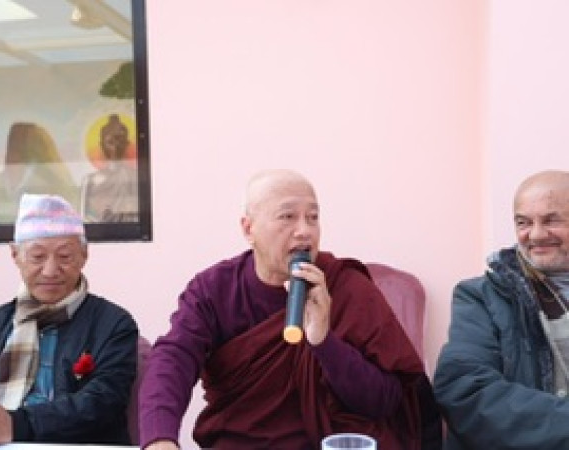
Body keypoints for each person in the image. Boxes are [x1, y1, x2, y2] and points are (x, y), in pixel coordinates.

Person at [138, 169, 443, 450]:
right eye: (287, 217)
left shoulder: (347, 286)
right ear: (249, 229)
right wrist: (159, 438)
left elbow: (384, 401)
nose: (304, 231)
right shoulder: (214, 290)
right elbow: (174, 358)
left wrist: (325, 343)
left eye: (313, 217)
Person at [0, 193, 138, 448]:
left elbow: (102, 405)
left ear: (84, 255)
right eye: (37, 257)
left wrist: (13, 425)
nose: (50, 271)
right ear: (15, 255)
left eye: (65, 256)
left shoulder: (113, 324)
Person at [434, 170, 569, 449]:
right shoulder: (480, 297)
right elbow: (465, 390)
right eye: (523, 222)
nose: (536, 234)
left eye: (552, 220)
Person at [80, 114, 139, 223]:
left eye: (120, 141)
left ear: (127, 144)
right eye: (110, 142)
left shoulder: (135, 177)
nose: (115, 147)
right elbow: (84, 217)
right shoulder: (90, 180)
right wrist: (102, 223)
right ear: (102, 145)